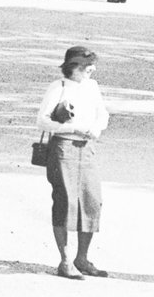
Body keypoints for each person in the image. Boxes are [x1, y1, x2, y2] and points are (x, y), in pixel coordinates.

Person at [36, 44, 111, 279]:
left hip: (87, 148)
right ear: (73, 66)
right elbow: (43, 121)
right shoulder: (58, 87)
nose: (91, 69)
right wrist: (75, 127)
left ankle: (83, 258)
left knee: (92, 201)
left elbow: (103, 114)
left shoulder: (92, 86)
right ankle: (65, 260)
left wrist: (97, 128)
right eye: (86, 65)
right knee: (65, 201)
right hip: (63, 147)